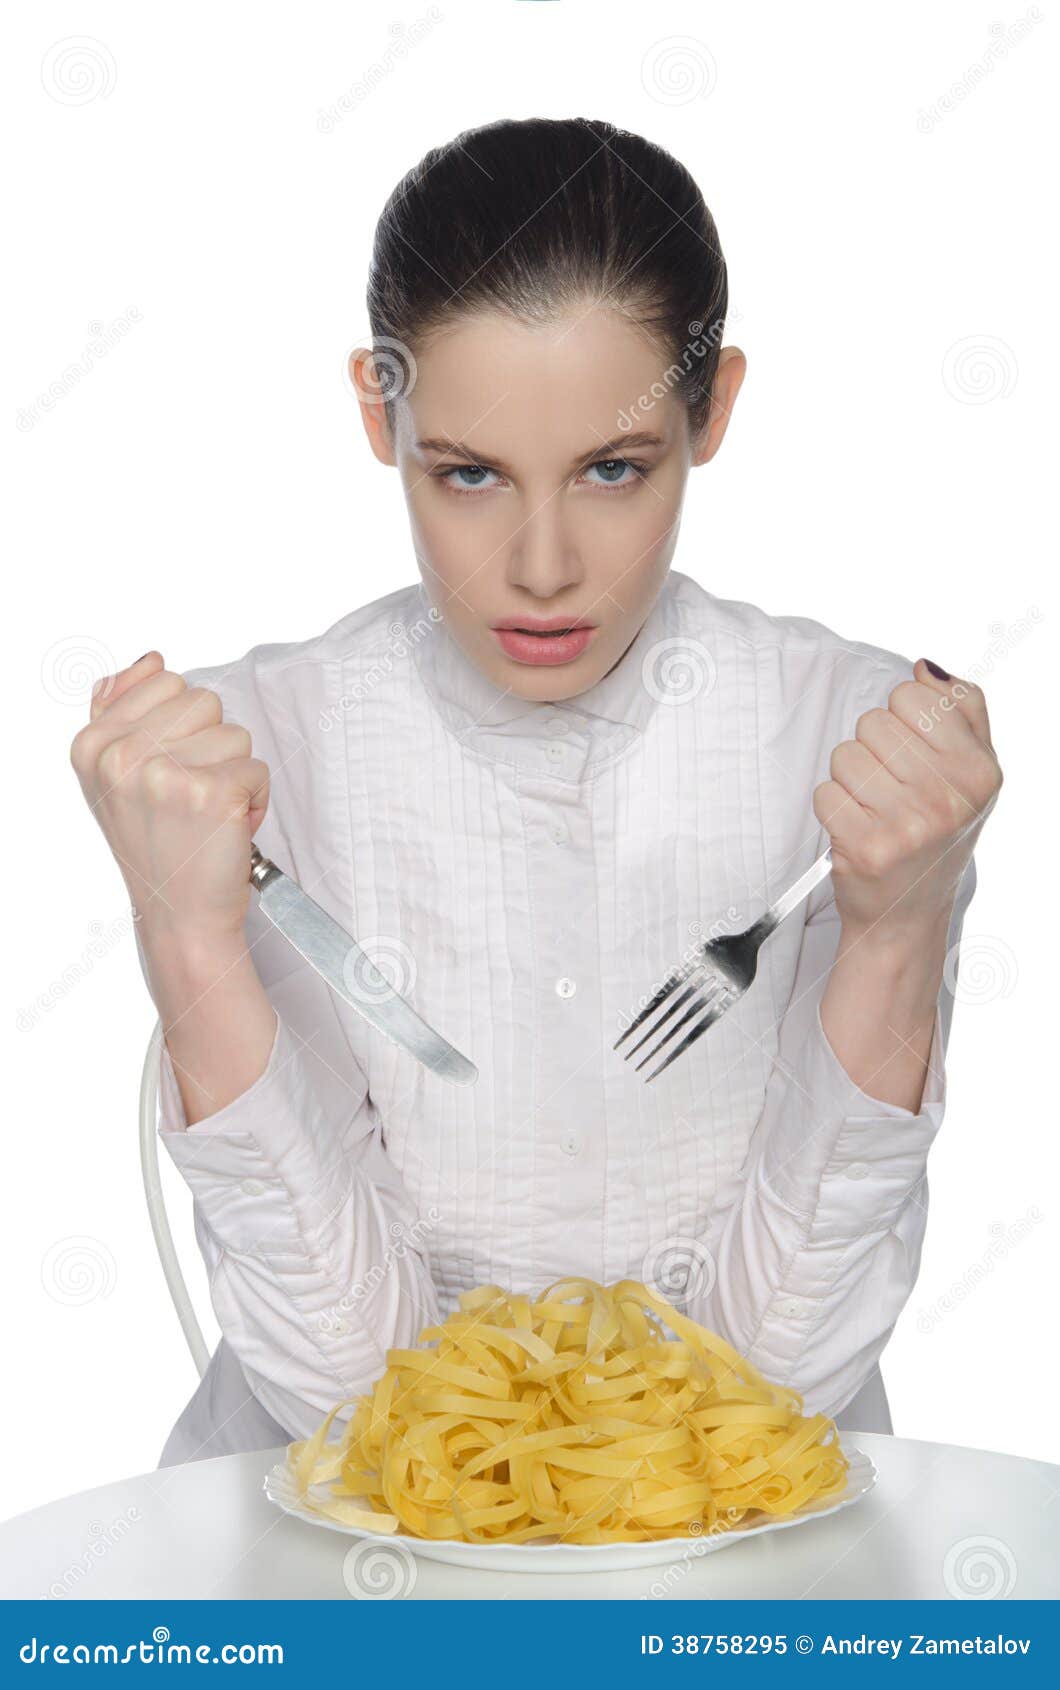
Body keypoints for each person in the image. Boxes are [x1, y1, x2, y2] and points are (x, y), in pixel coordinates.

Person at [69, 117, 1002, 1467]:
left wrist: (902, 929)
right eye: (468, 474)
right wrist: (191, 942)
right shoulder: (236, 763)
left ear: (714, 408)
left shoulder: (868, 753)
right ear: (380, 412)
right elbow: (345, 1396)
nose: (545, 566)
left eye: (615, 469)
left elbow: (775, 1387)